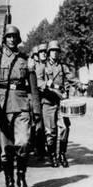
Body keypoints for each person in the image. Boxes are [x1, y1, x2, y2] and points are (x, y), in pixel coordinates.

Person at [0, 26, 41, 187]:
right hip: (2, 108)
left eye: (14, 36)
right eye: (8, 36)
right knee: (7, 149)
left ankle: (21, 178)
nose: (11, 39)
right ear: (4, 39)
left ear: (18, 39)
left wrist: (36, 110)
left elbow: (33, 88)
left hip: (21, 105)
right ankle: (9, 182)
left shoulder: (26, 60)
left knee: (23, 143)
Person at [35, 40, 81, 168]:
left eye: (57, 51)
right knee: (50, 132)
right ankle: (52, 156)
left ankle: (62, 154)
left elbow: (71, 78)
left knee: (65, 128)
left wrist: (80, 85)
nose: (55, 53)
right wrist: (45, 84)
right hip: (48, 102)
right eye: (52, 51)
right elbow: (38, 82)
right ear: (49, 52)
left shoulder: (62, 66)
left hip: (61, 102)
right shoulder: (42, 66)